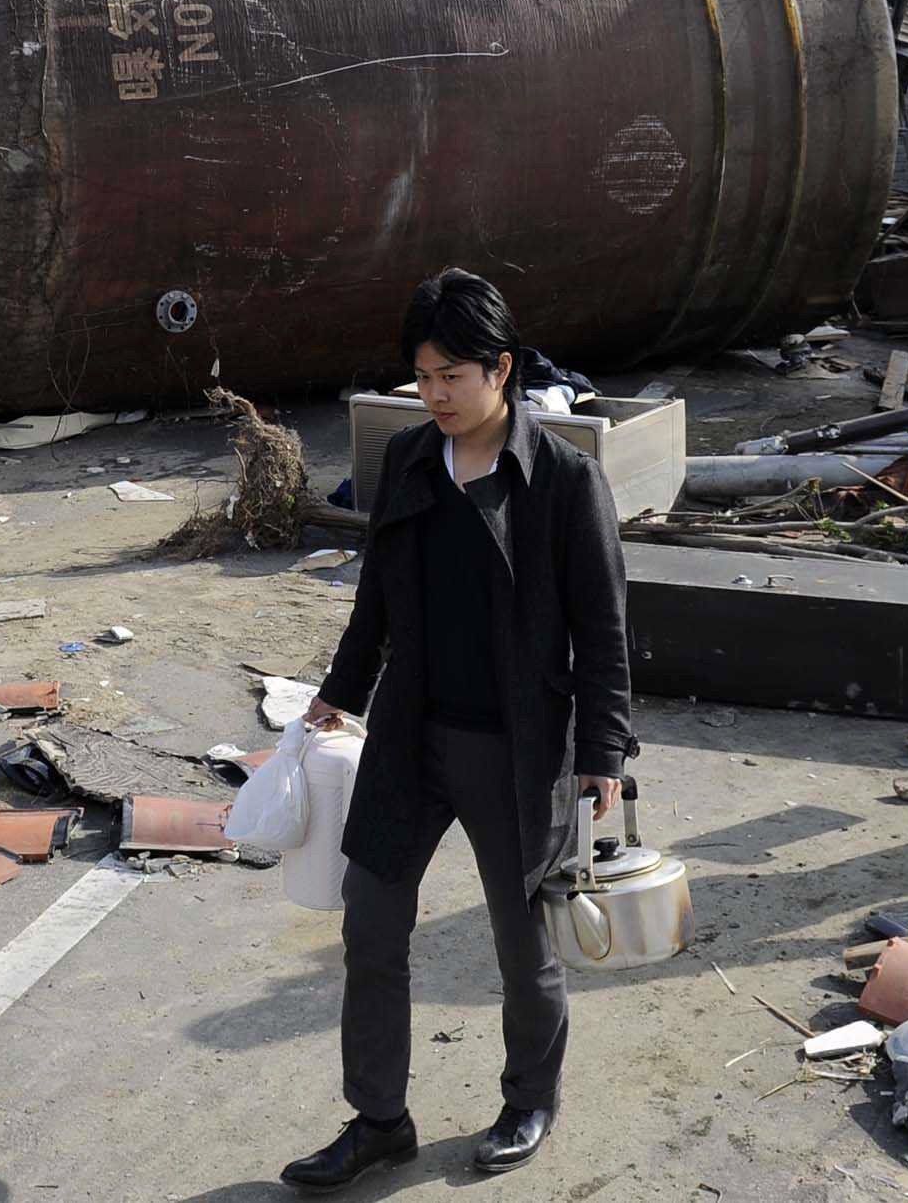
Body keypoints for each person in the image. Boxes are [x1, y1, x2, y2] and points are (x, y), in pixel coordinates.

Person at [284, 270, 632, 1189]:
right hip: (412, 735)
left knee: (524, 944)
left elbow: (603, 626)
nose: (435, 395)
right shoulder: (403, 460)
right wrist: (341, 692)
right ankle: (379, 1118)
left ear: (502, 370)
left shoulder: (563, 480)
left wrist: (602, 753)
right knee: (372, 921)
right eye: (424, 376)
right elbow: (376, 601)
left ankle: (529, 1099)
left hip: (520, 747)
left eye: (453, 377)